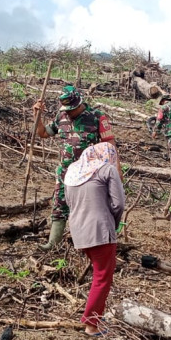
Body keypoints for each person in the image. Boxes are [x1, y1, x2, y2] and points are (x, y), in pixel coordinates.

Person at [33, 84, 114, 250]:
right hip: (65, 172)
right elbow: (43, 133)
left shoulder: (97, 117)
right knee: (60, 204)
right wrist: (37, 115)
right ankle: (53, 243)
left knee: (88, 208)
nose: (68, 112)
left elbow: (109, 145)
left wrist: (112, 172)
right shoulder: (61, 116)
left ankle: (89, 243)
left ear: (79, 103)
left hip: (89, 174)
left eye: (72, 109)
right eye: (66, 109)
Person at [64, 142, 125, 336]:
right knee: (102, 277)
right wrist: (112, 224)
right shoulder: (107, 169)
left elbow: (67, 202)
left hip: (78, 231)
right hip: (100, 230)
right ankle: (91, 324)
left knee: (98, 275)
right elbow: (118, 203)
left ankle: (95, 314)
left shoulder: (73, 170)